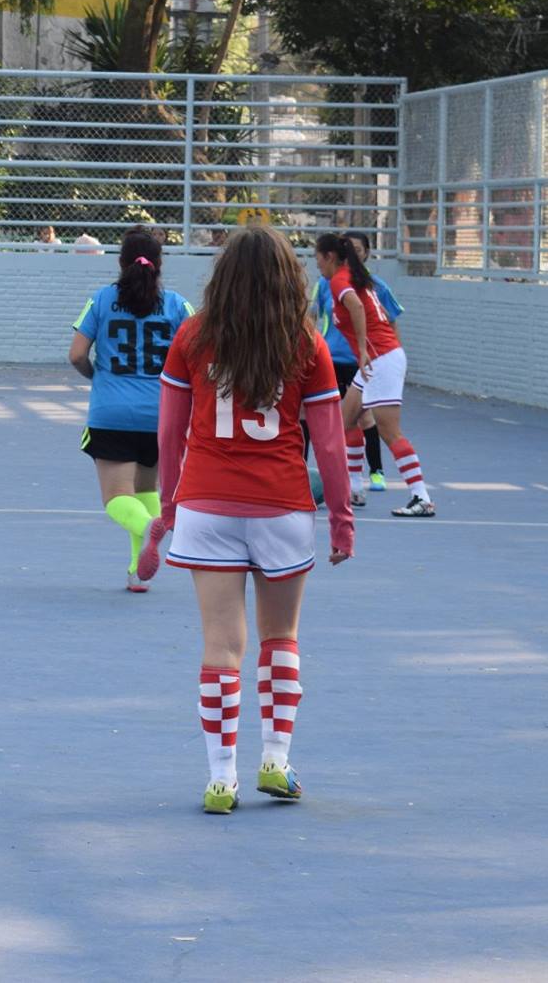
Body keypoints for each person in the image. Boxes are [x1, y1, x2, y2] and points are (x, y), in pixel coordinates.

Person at [137, 225, 355, 814]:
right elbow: (331, 444)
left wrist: (171, 504)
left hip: (208, 504)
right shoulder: (306, 344)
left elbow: (169, 432)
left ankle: (220, 777)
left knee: (220, 647)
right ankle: (277, 762)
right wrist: (340, 519)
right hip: (282, 506)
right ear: (289, 278)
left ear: (223, 276)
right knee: (279, 639)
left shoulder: (193, 336)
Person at [68, 228, 194, 593]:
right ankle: (137, 572)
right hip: (161, 414)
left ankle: (145, 528)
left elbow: (77, 354)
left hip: (112, 413)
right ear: (159, 264)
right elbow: (202, 353)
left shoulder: (103, 300)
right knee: (145, 488)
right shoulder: (176, 304)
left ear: (121, 262)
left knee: (116, 498)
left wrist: (97, 377)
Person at [315, 232, 435, 518]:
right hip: (379, 359)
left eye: (317, 257)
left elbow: (356, 306)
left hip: (381, 360)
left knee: (389, 431)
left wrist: (360, 346)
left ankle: (421, 496)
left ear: (329, 257)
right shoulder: (354, 277)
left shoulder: (340, 280)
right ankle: (355, 488)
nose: (316, 264)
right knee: (346, 419)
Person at [312, 232, 402, 493]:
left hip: (361, 361)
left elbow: (389, 319)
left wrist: (384, 355)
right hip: (332, 357)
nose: (355, 253)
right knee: (335, 419)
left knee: (366, 420)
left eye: (359, 249)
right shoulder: (325, 283)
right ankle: (350, 484)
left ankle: (375, 471)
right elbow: (312, 315)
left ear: (366, 253)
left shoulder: (373, 285)